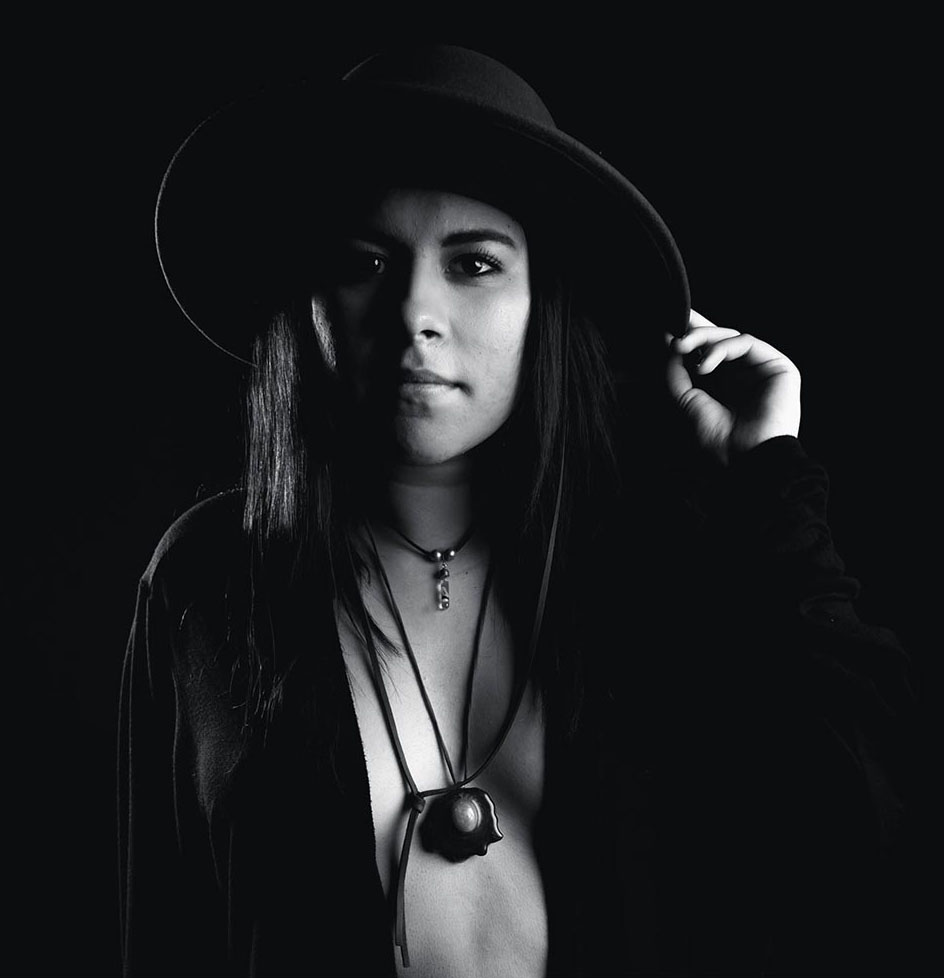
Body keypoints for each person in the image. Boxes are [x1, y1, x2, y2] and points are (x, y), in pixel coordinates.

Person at [118, 45, 917, 977]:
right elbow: (162, 937)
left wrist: (770, 479)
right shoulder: (207, 583)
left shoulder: (658, 558)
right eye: (366, 261)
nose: (415, 311)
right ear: (311, 302)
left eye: (474, 263)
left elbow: (865, 820)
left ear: (545, 301)